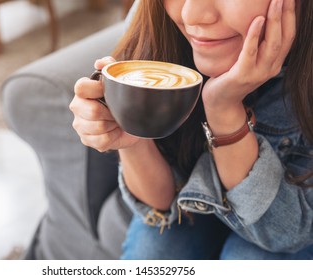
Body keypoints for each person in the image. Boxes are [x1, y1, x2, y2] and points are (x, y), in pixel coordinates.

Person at [69, 0, 313, 259]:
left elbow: (283, 234)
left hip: (286, 224)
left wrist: (224, 110)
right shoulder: (155, 19)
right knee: (154, 252)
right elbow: (160, 203)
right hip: (196, 203)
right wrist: (132, 135)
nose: (191, 15)